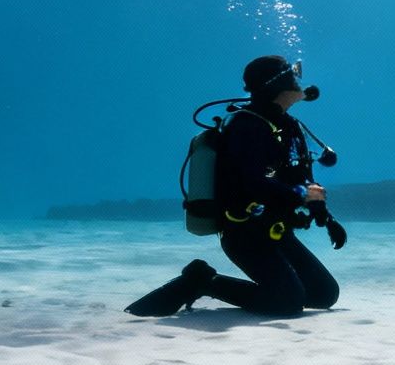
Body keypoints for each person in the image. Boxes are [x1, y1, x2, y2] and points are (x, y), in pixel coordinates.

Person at [125, 55, 346, 317]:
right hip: (245, 234)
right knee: (287, 303)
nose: (299, 81)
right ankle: (204, 280)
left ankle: (237, 284)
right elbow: (252, 183)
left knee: (324, 294)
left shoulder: (288, 125)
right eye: (293, 75)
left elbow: (301, 177)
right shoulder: (246, 126)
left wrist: (325, 217)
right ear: (277, 85)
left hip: (278, 231)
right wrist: (300, 194)